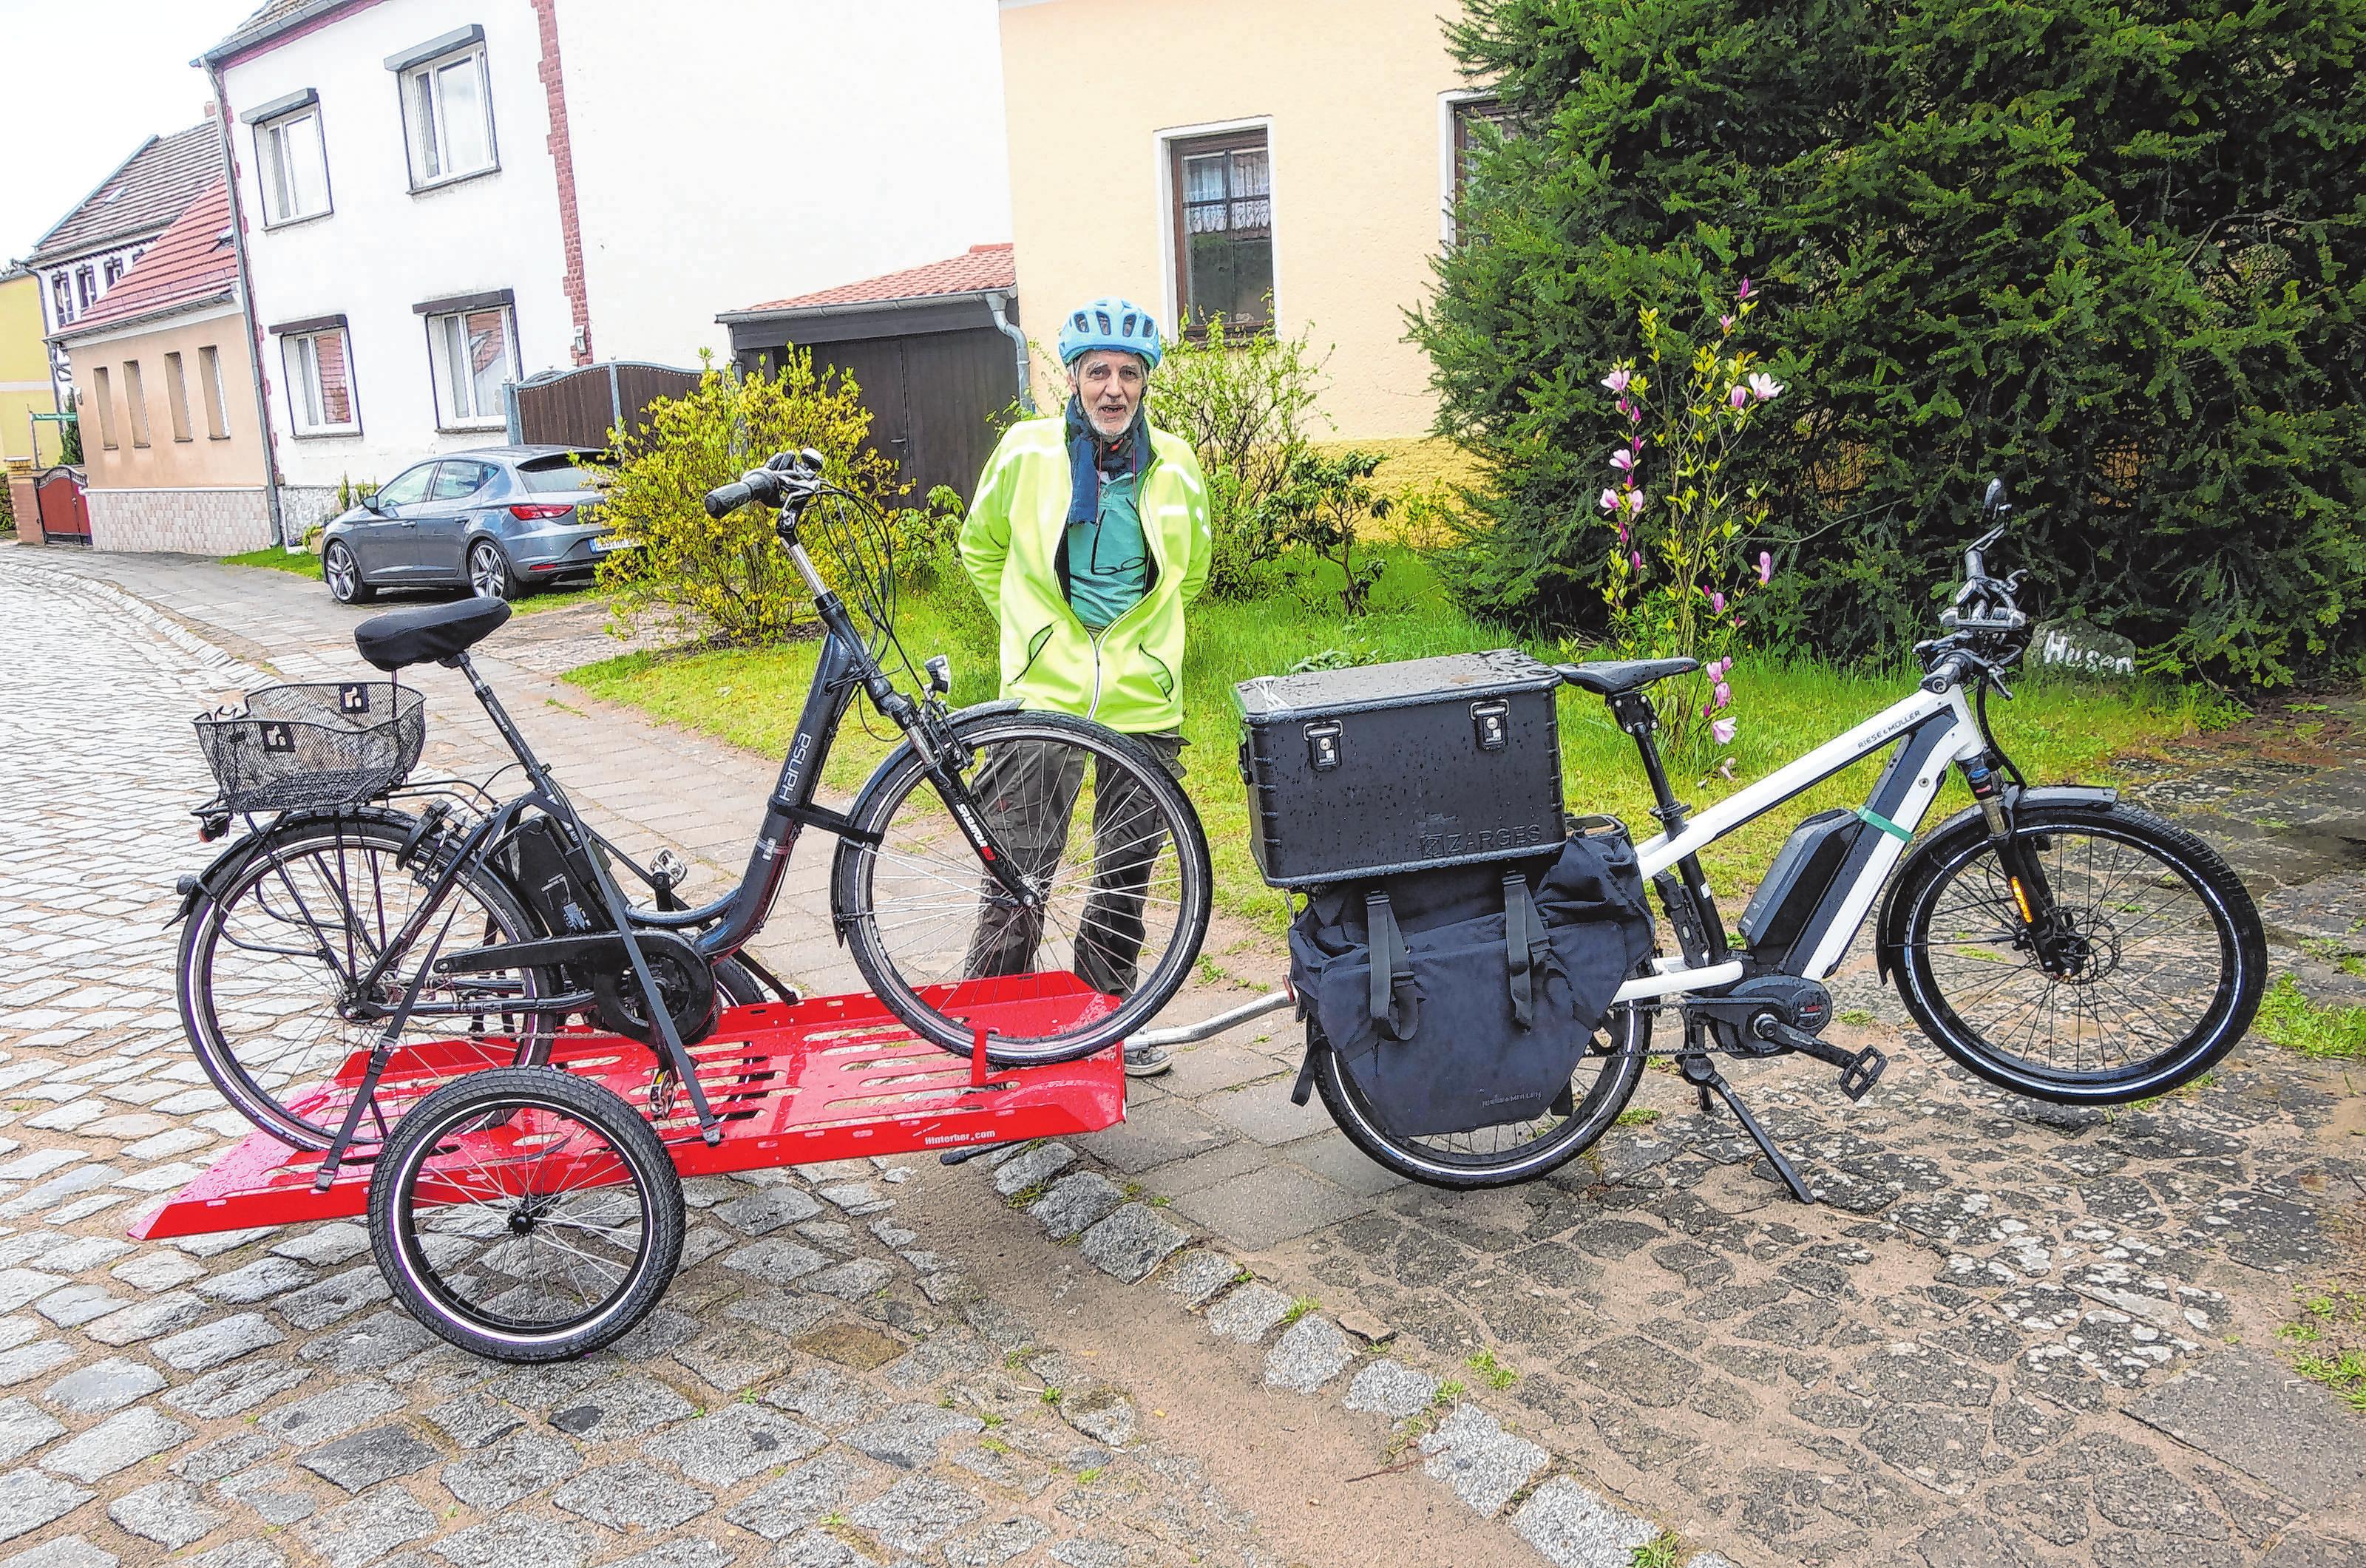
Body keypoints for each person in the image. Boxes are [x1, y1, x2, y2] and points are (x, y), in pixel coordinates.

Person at [957, 297, 1212, 1076]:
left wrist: (1142, 647)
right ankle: (992, 1032)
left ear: (1144, 384)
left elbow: (1193, 569)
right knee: (1017, 868)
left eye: (1127, 374)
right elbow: (981, 549)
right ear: (1071, 378)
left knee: (1124, 874)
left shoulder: (1173, 462)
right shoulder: (1027, 452)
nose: (1112, 388)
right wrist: (1034, 632)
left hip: (1143, 698)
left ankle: (1107, 1021)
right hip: (1043, 697)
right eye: (1096, 371)